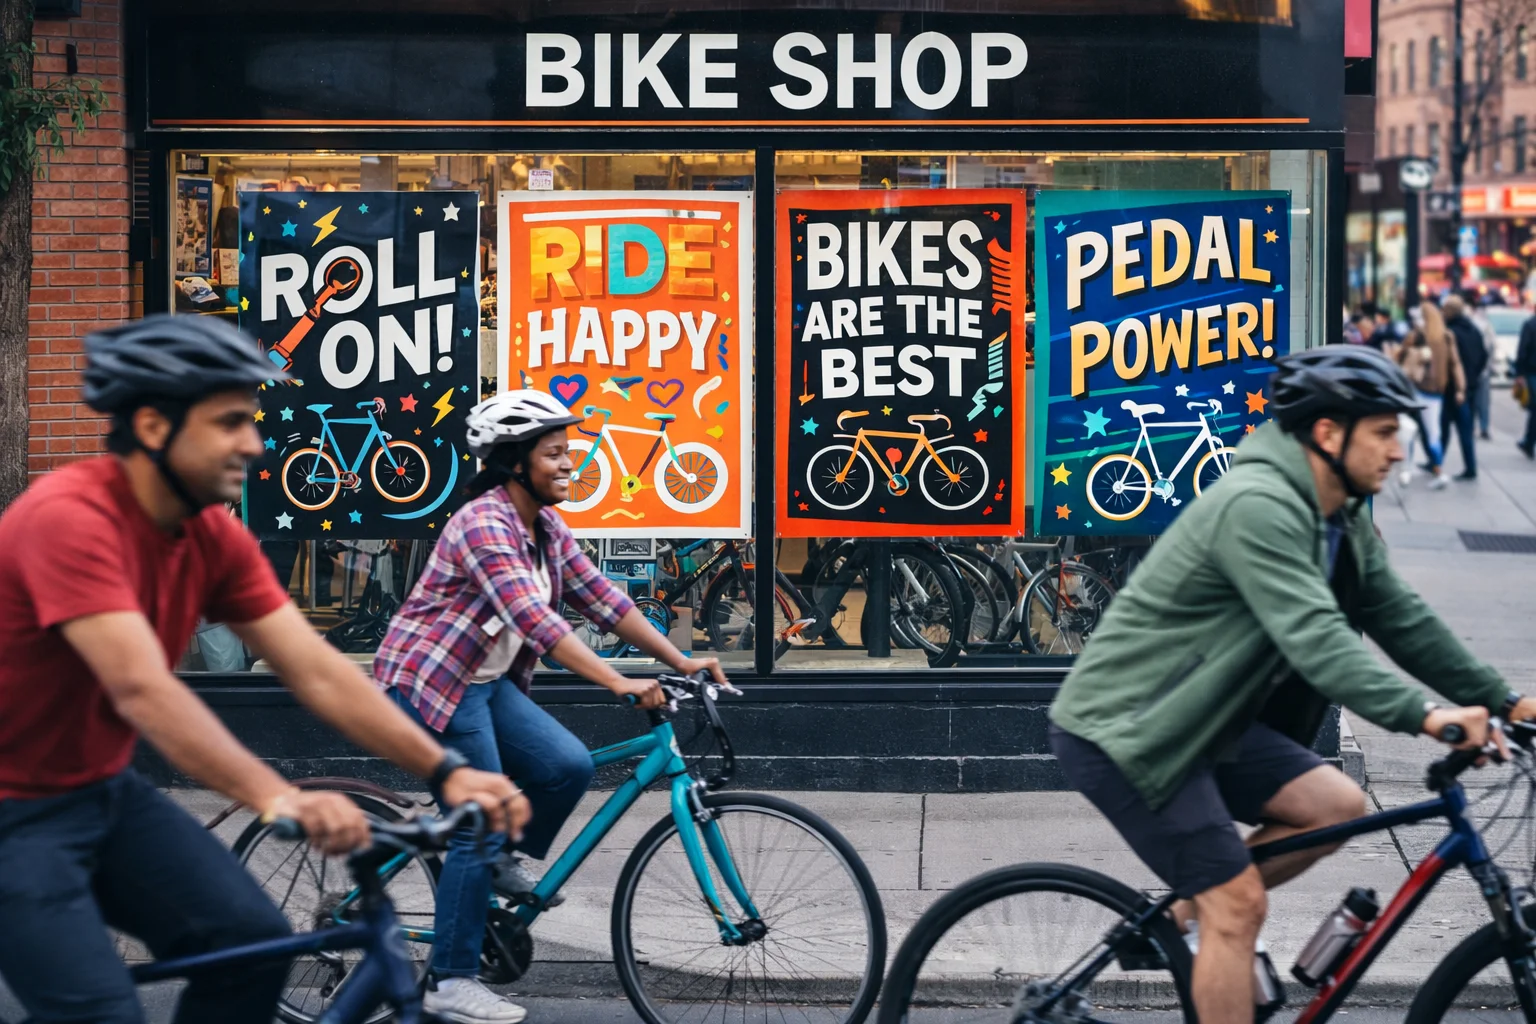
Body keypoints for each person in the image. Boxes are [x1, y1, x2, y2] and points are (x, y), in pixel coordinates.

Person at [0, 315, 529, 1024]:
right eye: (228, 423)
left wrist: (445, 770)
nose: (253, 442)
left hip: (99, 793)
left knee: (255, 947)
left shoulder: (211, 531)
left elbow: (313, 667)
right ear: (155, 425)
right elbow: (142, 688)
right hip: (12, 816)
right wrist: (277, 798)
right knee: (99, 1014)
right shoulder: (69, 519)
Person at [1049, 345, 1536, 1024]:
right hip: (1130, 725)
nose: (1399, 451)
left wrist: (1507, 701)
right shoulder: (1261, 506)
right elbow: (1318, 639)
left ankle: (1188, 915)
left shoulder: (1337, 513)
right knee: (1239, 903)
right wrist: (1429, 716)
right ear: (1330, 433)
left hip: (1207, 717)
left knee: (1336, 804)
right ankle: (1211, 914)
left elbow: (1400, 617)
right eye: (1385, 432)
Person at [376, 389, 729, 1024]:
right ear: (515, 462)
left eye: (568, 451)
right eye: (554, 453)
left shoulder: (546, 527)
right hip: (432, 681)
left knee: (566, 765)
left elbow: (605, 601)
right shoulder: (484, 523)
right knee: (479, 818)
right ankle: (450, 981)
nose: (569, 463)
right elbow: (536, 621)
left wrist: (679, 661)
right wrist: (615, 681)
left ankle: (493, 863)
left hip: (484, 684)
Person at [1394, 301, 1463, 491]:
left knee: (1409, 429)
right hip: (1434, 392)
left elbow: (1398, 356)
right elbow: (1455, 364)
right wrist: (1460, 388)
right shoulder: (1446, 336)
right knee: (1432, 433)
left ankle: (1408, 470)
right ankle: (1437, 469)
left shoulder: (1419, 335)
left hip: (1418, 389)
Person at [1440, 294, 1487, 480]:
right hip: (1471, 387)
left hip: (1454, 388)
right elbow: (1483, 356)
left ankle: (1437, 462)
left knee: (1443, 426)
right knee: (1465, 430)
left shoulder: (1450, 332)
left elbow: (1448, 362)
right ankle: (1470, 466)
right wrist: (1473, 376)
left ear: (1449, 311)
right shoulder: (1474, 330)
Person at [1516, 307, 1536, 459]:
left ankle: (1529, 441)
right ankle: (1528, 441)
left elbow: (1523, 350)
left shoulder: (1530, 325)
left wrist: (1520, 373)